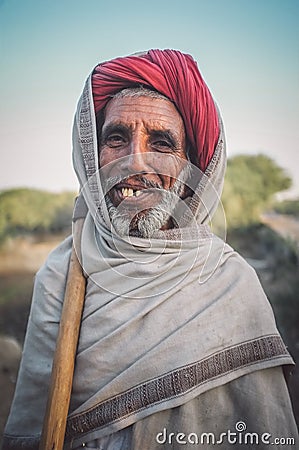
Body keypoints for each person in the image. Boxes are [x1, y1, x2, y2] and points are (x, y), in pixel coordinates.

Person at [2, 49, 298, 449]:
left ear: (192, 168)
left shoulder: (230, 284)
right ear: (92, 156)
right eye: (117, 138)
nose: (134, 162)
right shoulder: (60, 276)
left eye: (161, 143)